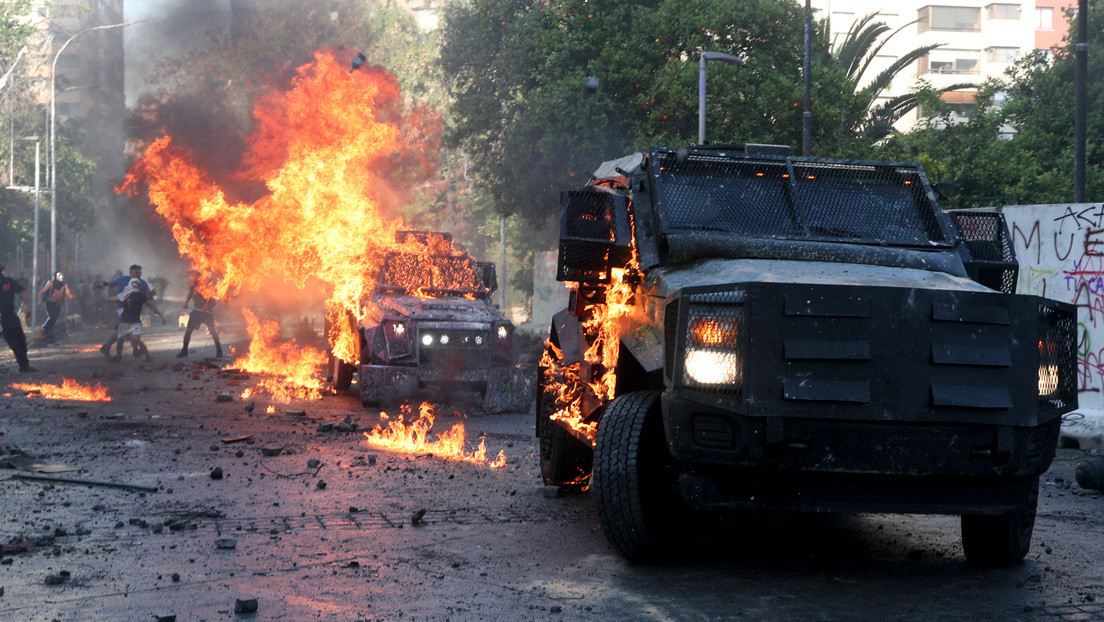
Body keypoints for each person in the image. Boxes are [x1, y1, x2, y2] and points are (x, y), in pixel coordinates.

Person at [100, 265, 150, 359]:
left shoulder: (143, 283)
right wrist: (106, 285)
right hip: (122, 307)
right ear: (130, 273)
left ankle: (107, 348)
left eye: (139, 272)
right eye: (136, 272)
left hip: (134, 309)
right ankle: (134, 350)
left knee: (123, 329)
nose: (138, 274)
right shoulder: (122, 279)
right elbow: (111, 284)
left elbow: (147, 296)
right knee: (128, 326)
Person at [110, 278, 166, 362]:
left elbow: (152, 306)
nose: (135, 285)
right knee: (120, 340)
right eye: (133, 283)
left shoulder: (140, 295)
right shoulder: (125, 294)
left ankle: (148, 357)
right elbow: (111, 299)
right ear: (129, 284)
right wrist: (106, 290)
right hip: (124, 322)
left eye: (137, 284)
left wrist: (161, 316)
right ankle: (118, 357)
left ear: (139, 286)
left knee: (136, 339)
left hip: (135, 323)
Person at [0, 263, 37, 372]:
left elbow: (22, 291)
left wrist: (27, 305)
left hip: (9, 316)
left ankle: (24, 366)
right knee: (15, 341)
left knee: (20, 340)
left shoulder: (8, 282)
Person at [178, 272, 223, 358]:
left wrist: (207, 308)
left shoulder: (210, 287)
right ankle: (184, 350)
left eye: (198, 278)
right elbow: (190, 294)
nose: (196, 279)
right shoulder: (194, 287)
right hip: (196, 312)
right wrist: (186, 303)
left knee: (213, 331)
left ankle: (219, 350)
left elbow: (213, 302)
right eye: (196, 278)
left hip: (207, 313)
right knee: (188, 331)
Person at [38, 272, 75, 343]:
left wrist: (73, 296)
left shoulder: (64, 286)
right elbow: (41, 292)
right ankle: (43, 330)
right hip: (50, 303)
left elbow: (69, 294)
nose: (61, 277)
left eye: (62, 276)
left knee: (54, 320)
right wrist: (40, 300)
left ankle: (49, 336)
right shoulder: (51, 284)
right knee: (52, 317)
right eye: (59, 276)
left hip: (57, 305)